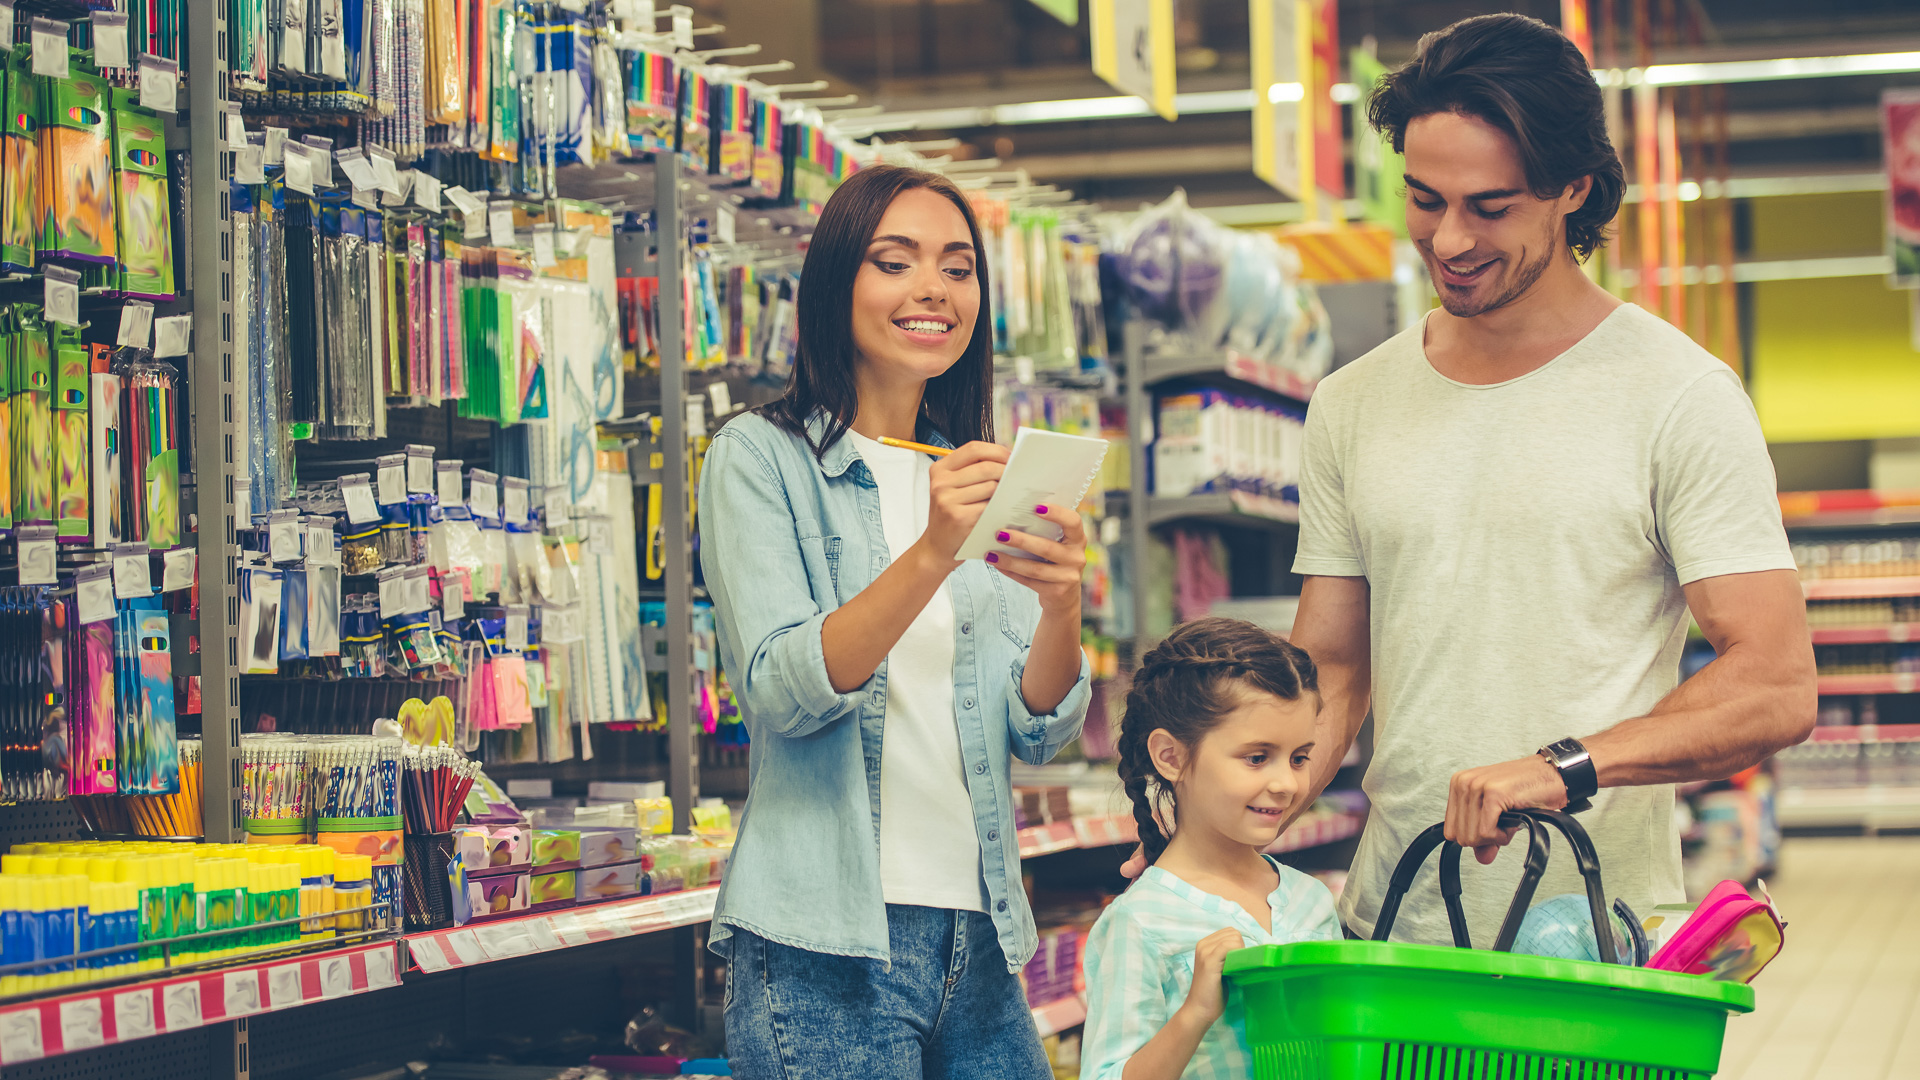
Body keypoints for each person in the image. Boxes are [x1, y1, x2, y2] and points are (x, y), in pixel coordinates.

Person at [1128, 13, 1815, 945]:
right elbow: (1332, 666)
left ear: (1573, 188)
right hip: (1390, 925)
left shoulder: (1679, 395)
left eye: (1488, 207)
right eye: (1423, 199)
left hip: (1591, 939)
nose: (1448, 240)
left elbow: (1774, 684)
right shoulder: (1351, 402)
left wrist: (1562, 767)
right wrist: (1215, 825)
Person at [698, 164, 1093, 1079]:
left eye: (958, 268)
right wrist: (931, 554)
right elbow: (781, 691)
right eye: (896, 261)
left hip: (981, 933)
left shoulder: (975, 473)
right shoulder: (761, 458)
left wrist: (1062, 602)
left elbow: (1036, 727)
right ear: (837, 287)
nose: (933, 290)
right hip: (825, 947)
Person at [1081, 619, 1339, 1080]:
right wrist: (1195, 1012)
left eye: (1300, 758)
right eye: (1257, 757)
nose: (1285, 784)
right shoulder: (1139, 921)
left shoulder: (1312, 901)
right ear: (1171, 756)